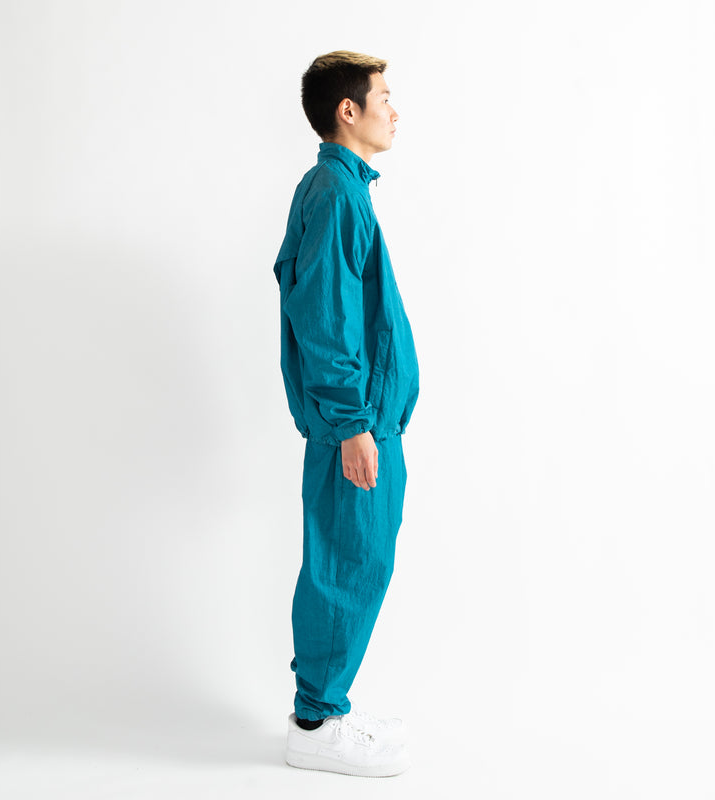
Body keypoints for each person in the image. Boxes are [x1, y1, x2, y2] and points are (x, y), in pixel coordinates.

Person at [273, 50, 419, 778]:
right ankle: (316, 722)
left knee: (357, 560)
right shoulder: (334, 193)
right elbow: (326, 320)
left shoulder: (343, 190)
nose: (395, 111)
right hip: (354, 426)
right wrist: (353, 423)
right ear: (348, 110)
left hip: (364, 421)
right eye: (384, 98)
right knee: (346, 563)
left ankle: (326, 708)